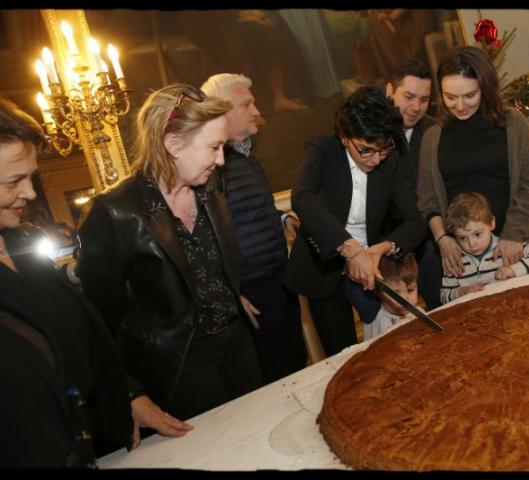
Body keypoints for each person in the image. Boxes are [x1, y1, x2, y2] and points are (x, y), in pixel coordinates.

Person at [77, 84, 264, 436]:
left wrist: (227, 288)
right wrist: (130, 391)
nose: (221, 160)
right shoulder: (114, 213)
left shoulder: (210, 186)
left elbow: (202, 258)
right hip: (181, 362)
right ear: (173, 144)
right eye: (213, 148)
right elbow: (97, 321)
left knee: (258, 432)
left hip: (237, 341)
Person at [0, 96, 133, 467]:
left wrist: (129, 395)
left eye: (31, 178)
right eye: (14, 180)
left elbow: (81, 334)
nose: (29, 192)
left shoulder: (21, 243)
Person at [283, 86, 425, 357]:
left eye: (382, 150)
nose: (375, 159)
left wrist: (380, 249)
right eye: (365, 150)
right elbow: (302, 196)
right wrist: (350, 248)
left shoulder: (390, 161)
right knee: (344, 355)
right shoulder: (323, 150)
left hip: (373, 268)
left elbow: (414, 221)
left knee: (389, 347)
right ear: (345, 136)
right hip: (324, 267)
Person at [416, 46, 529, 309]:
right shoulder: (433, 138)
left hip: (513, 250)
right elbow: (427, 199)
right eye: (450, 97)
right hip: (464, 263)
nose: (460, 105)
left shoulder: (512, 123)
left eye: (469, 95)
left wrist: (514, 234)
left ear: (485, 89)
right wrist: (444, 239)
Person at [200, 73, 307, 383]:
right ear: (220, 111)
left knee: (295, 363)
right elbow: (207, 235)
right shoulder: (211, 168)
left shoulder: (248, 158)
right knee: (272, 376)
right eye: (246, 104)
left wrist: (285, 220)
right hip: (251, 290)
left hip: (279, 279)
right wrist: (233, 293)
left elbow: (255, 210)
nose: (257, 111)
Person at [385, 59, 440, 309]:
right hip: (389, 245)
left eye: (424, 99)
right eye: (408, 96)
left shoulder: (434, 131)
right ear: (390, 91)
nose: (416, 107)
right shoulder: (374, 132)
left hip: (432, 242)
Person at [440, 192, 529, 304]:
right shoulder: (455, 261)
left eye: (477, 234)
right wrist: (460, 292)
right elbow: (444, 295)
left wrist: (514, 270)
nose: (471, 244)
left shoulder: (506, 249)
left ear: (491, 223)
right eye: (462, 238)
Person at [358, 253, 420, 341]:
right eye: (394, 293)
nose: (405, 298)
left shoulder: (420, 314)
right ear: (377, 291)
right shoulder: (371, 313)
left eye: (410, 290)